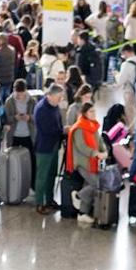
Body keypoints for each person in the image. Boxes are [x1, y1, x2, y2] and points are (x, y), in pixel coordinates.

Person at [67, 100, 103, 226]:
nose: (94, 113)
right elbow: (81, 146)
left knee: (88, 184)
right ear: (85, 113)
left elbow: (99, 141)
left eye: (95, 111)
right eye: (91, 111)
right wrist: (95, 153)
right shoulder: (79, 128)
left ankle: (82, 213)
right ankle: (78, 196)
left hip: (93, 162)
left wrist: (104, 151)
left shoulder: (93, 126)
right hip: (83, 163)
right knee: (96, 184)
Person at [33, 84, 64, 215]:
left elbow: (58, 122)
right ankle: (39, 203)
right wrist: (63, 131)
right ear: (49, 96)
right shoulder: (41, 109)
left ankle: (50, 200)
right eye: (58, 97)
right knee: (42, 176)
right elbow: (47, 130)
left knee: (52, 175)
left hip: (54, 145)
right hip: (44, 147)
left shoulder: (54, 106)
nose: (60, 100)